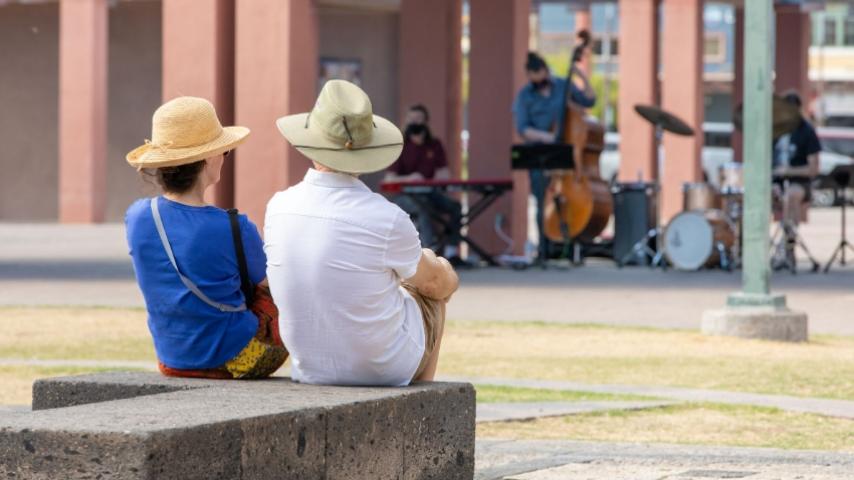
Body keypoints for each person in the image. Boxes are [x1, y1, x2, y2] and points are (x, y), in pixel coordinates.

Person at [266, 80, 459, 386]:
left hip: (311, 367)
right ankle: (422, 403)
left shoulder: (278, 207)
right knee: (432, 292)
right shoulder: (387, 218)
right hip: (384, 368)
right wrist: (445, 271)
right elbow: (434, 283)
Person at [125, 96, 287, 379]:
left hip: (172, 359)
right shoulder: (235, 226)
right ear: (209, 158)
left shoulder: (137, 217)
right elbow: (272, 286)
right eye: (224, 152)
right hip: (236, 359)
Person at [512, 51, 596, 261]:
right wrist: (546, 137)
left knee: (569, 200)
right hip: (541, 150)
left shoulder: (562, 85)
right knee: (542, 200)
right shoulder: (525, 96)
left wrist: (581, 76)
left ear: (546, 71)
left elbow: (589, 101)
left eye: (542, 76)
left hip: (567, 153)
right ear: (530, 76)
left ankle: (570, 246)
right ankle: (544, 248)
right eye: (535, 79)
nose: (540, 82)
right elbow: (523, 128)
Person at [385, 104, 466, 265]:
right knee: (423, 209)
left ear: (426, 121)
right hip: (405, 195)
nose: (415, 122)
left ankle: (451, 252)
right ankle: (429, 255)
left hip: (430, 192)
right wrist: (410, 178)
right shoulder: (400, 145)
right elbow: (389, 179)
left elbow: (444, 174)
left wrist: (431, 178)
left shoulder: (435, 144)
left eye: (418, 119)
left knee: (455, 207)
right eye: (411, 119)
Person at [773, 91, 821, 227]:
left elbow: (814, 169)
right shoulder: (776, 129)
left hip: (799, 182)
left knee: (791, 195)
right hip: (775, 180)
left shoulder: (807, 131)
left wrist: (788, 171)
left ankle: (789, 240)